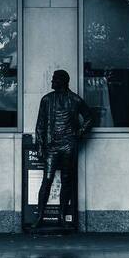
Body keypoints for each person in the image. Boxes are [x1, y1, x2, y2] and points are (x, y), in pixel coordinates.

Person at [33, 69, 93, 230]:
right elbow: (39, 126)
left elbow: (89, 117)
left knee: (67, 181)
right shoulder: (46, 100)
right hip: (52, 146)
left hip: (68, 145)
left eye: (54, 79)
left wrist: (78, 134)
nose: (52, 82)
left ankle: (62, 217)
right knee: (47, 180)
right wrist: (39, 145)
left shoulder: (75, 100)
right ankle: (39, 216)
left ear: (62, 81)